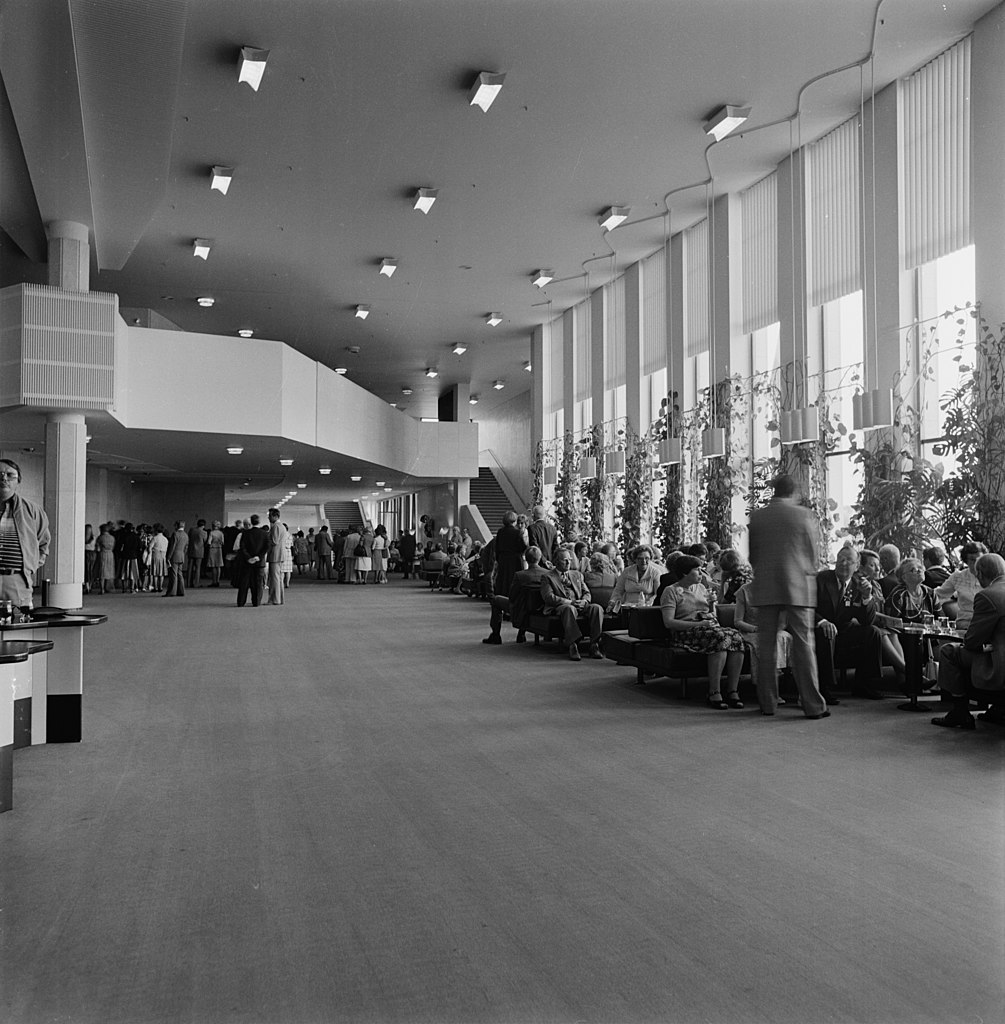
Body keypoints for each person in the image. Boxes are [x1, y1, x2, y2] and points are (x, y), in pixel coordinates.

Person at [747, 474, 829, 718]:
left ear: (774, 491)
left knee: (767, 647)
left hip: (767, 585)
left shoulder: (758, 516)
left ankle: (768, 703)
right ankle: (813, 705)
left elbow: (753, 556)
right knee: (804, 645)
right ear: (794, 492)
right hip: (798, 586)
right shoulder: (804, 515)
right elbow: (813, 554)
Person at [659, 555, 746, 709]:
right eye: (697, 570)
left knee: (736, 636)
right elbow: (669, 623)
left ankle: (733, 690)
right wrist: (699, 624)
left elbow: (712, 615)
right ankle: (714, 692)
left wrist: (712, 605)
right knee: (719, 637)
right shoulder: (671, 591)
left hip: (707, 628)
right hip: (685, 632)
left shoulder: (701, 588)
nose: (701, 573)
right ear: (685, 573)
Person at [931, 553, 1005, 730]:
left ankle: (960, 712)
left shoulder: (988, 596)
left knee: (949, 651)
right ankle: (998, 709)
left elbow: (972, 641)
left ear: (979, 574)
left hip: (999, 663)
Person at [816, 546, 885, 700]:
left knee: (872, 632)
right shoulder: (821, 579)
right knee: (825, 633)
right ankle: (823, 688)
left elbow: (866, 620)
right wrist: (822, 621)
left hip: (844, 631)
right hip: (820, 628)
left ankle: (864, 684)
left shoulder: (858, 584)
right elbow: (807, 607)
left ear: (857, 566)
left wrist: (867, 597)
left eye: (849, 560)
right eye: (841, 559)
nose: (844, 563)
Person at [0, 458, 50, 610]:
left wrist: (30, 568)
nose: (4, 479)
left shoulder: (32, 510)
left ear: (18, 481)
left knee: (18, 626)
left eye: (10, 475)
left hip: (17, 581)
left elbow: (43, 544)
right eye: (0, 474)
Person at [539, 548, 604, 661]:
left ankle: (594, 644)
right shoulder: (547, 577)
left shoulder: (577, 575)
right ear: (556, 561)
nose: (569, 563)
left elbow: (587, 592)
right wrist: (571, 602)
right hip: (561, 606)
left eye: (570, 559)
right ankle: (572, 645)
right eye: (565, 560)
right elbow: (549, 597)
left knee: (597, 608)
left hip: (580, 603)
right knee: (569, 609)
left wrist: (584, 601)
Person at [482, 545, 550, 644]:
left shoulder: (520, 575)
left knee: (496, 600)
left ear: (526, 559)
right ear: (540, 558)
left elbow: (512, 596)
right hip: (540, 608)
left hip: (521, 610)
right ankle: (521, 634)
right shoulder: (547, 574)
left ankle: (495, 635)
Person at [935, 540, 988, 631]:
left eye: (979, 559)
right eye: (972, 559)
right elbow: (938, 594)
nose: (976, 563)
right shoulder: (958, 577)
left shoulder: (991, 576)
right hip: (964, 624)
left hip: (987, 624)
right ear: (966, 560)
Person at [607, 544, 662, 614]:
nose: (644, 561)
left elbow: (658, 594)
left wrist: (649, 604)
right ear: (635, 559)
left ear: (650, 558)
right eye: (640, 558)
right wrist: (612, 602)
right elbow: (618, 590)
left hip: (647, 609)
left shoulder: (655, 573)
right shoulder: (627, 572)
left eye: (647, 558)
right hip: (628, 608)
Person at [493, 511, 528, 601]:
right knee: (513, 580)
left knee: (503, 580)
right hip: (515, 560)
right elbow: (522, 547)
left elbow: (497, 547)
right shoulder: (517, 532)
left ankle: (501, 600)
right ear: (514, 520)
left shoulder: (500, 532)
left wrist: (498, 559)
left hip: (503, 559)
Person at [237, 514, 268, 607]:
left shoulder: (245, 533)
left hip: (247, 562)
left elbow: (242, 547)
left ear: (251, 522)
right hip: (259, 562)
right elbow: (267, 547)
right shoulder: (264, 533)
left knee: (244, 582)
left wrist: (248, 558)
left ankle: (241, 602)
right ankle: (256, 601)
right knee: (258, 583)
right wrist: (258, 557)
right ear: (259, 522)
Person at [266, 508, 287, 605]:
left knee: (274, 578)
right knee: (278, 578)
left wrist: (266, 540)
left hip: (275, 554)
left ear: (275, 516)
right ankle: (279, 598)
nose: (268, 517)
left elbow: (274, 541)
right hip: (280, 554)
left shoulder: (276, 526)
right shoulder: (281, 526)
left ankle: (275, 599)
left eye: (270, 515)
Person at [164, 521, 188, 596]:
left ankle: (171, 592)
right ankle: (181, 591)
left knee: (173, 574)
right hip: (181, 555)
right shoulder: (186, 535)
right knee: (180, 574)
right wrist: (183, 554)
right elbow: (186, 547)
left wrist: (168, 557)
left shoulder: (175, 534)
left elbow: (172, 547)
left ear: (177, 526)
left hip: (175, 556)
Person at [186, 519, 207, 588]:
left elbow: (188, 538)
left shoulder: (192, 530)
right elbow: (205, 541)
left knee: (190, 567)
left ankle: (188, 583)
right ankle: (196, 583)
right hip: (199, 551)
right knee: (198, 568)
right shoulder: (204, 532)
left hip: (191, 550)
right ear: (203, 525)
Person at [149, 523, 168, 592]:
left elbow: (149, 547)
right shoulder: (165, 539)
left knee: (155, 572)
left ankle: (155, 587)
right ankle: (160, 587)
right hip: (163, 556)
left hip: (155, 555)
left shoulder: (155, 538)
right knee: (161, 572)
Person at [206, 520, 225, 587]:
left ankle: (214, 581)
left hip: (212, 549)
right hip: (219, 549)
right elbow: (223, 542)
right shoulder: (221, 533)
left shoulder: (211, 532)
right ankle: (218, 581)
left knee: (213, 566)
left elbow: (209, 542)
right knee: (218, 566)